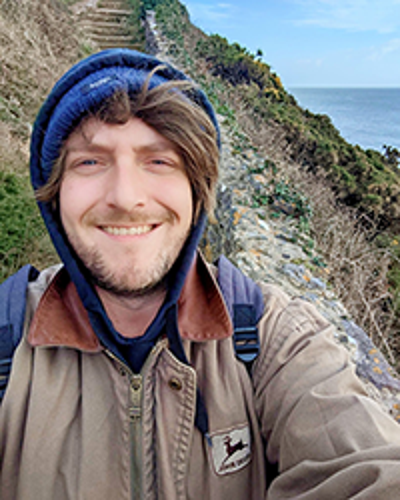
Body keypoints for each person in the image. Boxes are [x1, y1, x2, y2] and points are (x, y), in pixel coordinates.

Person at [1, 48, 400, 500]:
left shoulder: (275, 339)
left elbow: (367, 469)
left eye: (159, 161)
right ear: (54, 195)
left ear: (197, 192)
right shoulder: (8, 342)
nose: (126, 197)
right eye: (90, 162)